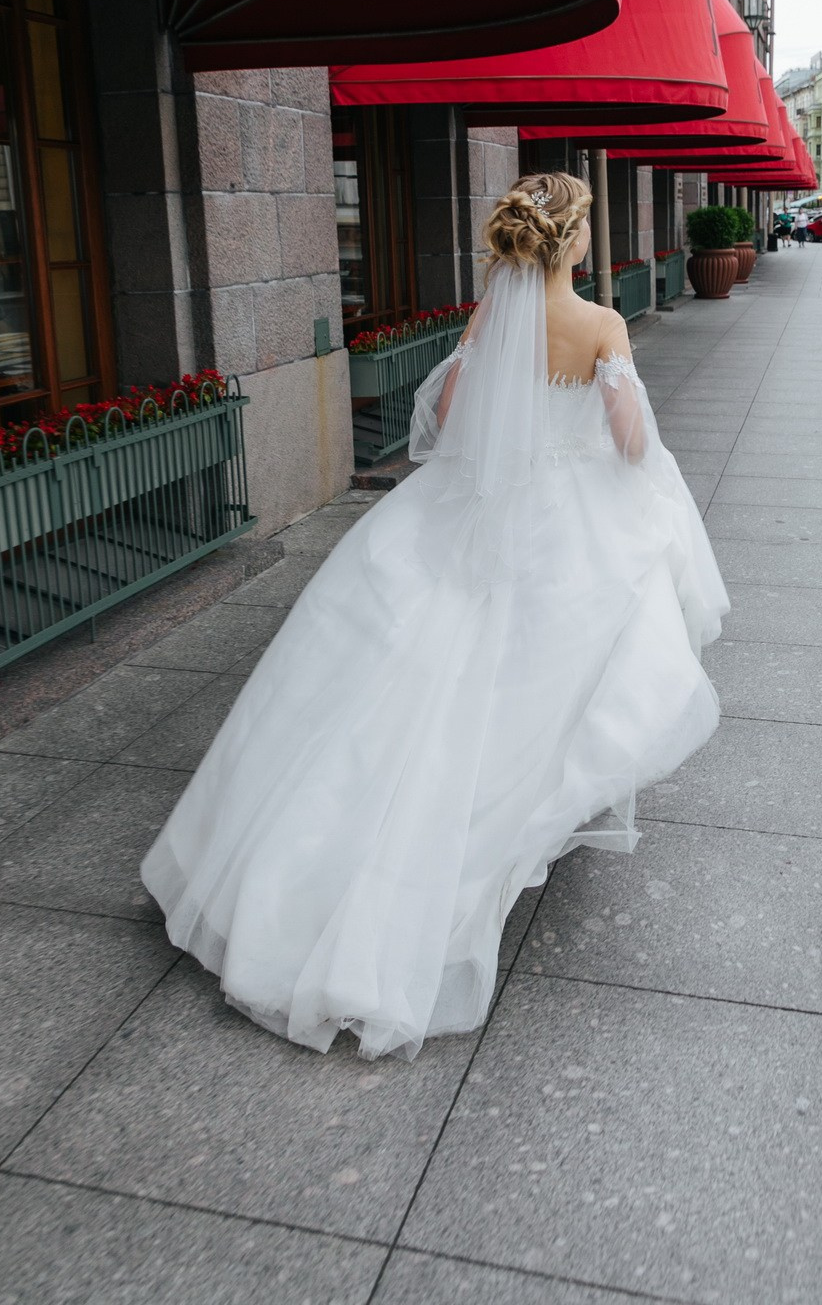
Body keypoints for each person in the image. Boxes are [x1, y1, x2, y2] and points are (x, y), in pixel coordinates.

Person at [141, 173, 728, 1060]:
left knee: (403, 662)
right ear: (571, 243)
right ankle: (511, 817)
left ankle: (292, 875)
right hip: (569, 519)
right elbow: (631, 444)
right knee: (553, 675)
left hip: (473, 506)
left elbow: (450, 417)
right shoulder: (603, 326)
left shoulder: (493, 317)